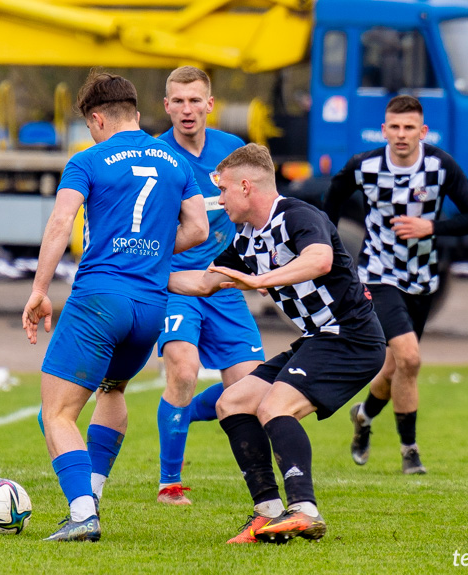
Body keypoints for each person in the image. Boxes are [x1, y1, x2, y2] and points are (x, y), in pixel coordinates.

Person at [22, 70, 208, 542]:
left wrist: (40, 290)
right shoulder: (174, 159)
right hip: (150, 309)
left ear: (97, 118)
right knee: (112, 390)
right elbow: (200, 230)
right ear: (139, 114)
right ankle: (94, 494)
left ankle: (83, 513)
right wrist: (151, 253)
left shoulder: (87, 160)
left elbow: (62, 222)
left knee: (57, 413)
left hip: (100, 300)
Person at [168, 143, 386, 544]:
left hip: (351, 337)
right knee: (231, 402)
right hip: (318, 338)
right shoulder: (247, 238)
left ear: (246, 186)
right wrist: (138, 273)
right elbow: (202, 282)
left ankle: (304, 509)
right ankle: (267, 514)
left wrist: (261, 280)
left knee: (274, 406)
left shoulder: (296, 215)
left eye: (224, 190)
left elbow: (319, 260)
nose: (220, 200)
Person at [323, 94, 468, 474]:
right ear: (383, 130)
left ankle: (363, 416)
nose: (400, 134)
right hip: (378, 276)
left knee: (397, 368)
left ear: (422, 131)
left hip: (423, 281)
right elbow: (328, 205)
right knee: (410, 358)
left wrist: (432, 227)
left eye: (409, 127)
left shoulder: (440, 166)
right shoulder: (364, 167)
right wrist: (326, 250)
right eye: (393, 127)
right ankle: (410, 452)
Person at [153, 66, 264, 505]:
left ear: (209, 105)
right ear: (166, 106)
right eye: (178, 101)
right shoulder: (157, 156)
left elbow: (254, 213)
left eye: (194, 100)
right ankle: (169, 483)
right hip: (178, 285)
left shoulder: (232, 151)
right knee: (183, 368)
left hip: (224, 285)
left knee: (253, 389)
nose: (186, 109)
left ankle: (184, 411)